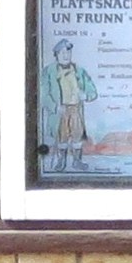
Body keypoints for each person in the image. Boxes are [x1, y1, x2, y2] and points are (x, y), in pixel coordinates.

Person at [44, 38, 98, 167]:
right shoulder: (49, 72)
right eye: (62, 53)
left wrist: (86, 96)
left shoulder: (79, 71)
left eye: (68, 53)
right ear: (56, 55)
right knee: (62, 136)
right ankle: (61, 161)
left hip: (75, 109)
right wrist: (55, 107)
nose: (65, 56)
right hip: (60, 110)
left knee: (77, 136)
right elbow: (44, 94)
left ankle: (77, 161)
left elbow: (92, 90)